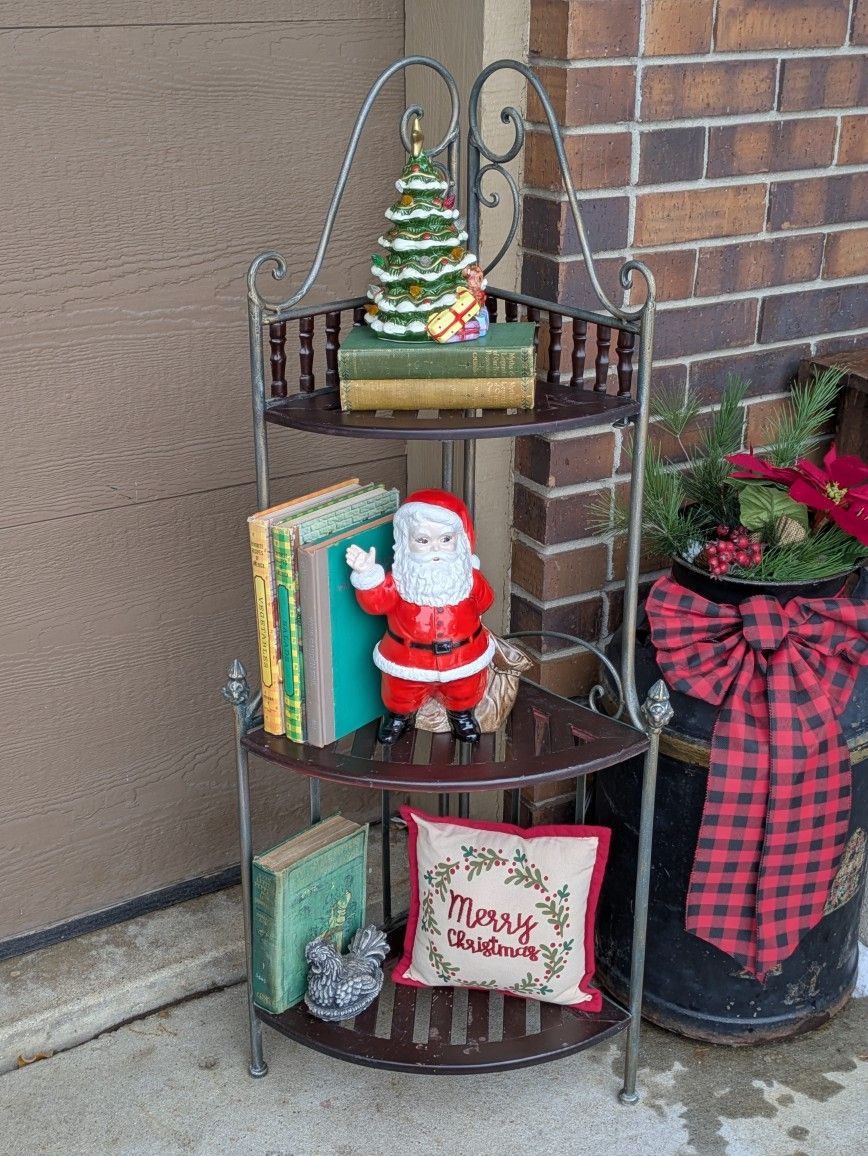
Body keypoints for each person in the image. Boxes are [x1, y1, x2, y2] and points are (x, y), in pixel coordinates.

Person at [346, 489, 495, 744]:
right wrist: (368, 574)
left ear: (461, 541)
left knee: (465, 689)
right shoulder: (401, 581)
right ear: (406, 541)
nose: (435, 548)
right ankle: (398, 717)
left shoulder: (466, 579)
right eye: (423, 540)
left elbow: (485, 602)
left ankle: (461, 714)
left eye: (446, 539)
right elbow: (376, 602)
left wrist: (472, 576)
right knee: (400, 692)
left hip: (462, 657)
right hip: (408, 659)